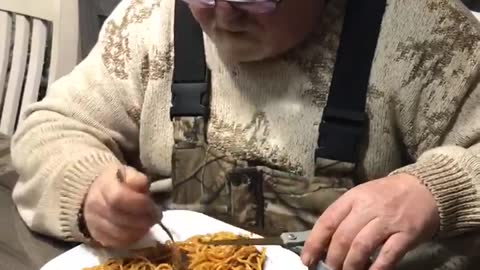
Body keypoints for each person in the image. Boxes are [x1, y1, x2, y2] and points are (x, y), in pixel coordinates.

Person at [10, 0, 480, 269]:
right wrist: (88, 189)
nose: (225, 17)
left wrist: (438, 190)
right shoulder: (150, 21)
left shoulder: (428, 38)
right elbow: (54, 127)